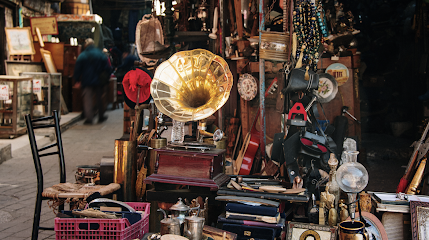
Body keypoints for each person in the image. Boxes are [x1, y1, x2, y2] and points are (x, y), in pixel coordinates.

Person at [74, 38, 112, 124]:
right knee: (100, 98)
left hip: (86, 80)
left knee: (88, 99)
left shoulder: (82, 55)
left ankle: (89, 118)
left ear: (85, 46)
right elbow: (107, 67)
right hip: (99, 80)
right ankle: (101, 116)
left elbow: (77, 69)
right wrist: (107, 77)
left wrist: (77, 80)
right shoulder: (100, 54)